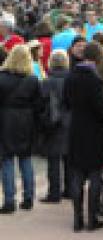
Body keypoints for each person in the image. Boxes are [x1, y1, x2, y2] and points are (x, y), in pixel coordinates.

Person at [65, 41, 103, 231]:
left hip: (76, 129)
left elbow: (66, 102)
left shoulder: (71, 76)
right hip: (94, 131)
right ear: (98, 57)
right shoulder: (94, 79)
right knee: (96, 174)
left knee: (77, 175)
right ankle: (92, 218)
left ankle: (77, 219)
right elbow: (101, 111)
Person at [0, 45, 42, 214]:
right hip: (26, 120)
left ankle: (9, 200)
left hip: (5, 119)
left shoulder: (1, 78)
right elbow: (39, 105)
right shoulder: (32, 79)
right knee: (25, 159)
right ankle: (28, 198)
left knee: (7, 160)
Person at [40, 50, 71, 203]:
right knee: (68, 158)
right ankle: (70, 190)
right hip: (70, 122)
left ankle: (54, 193)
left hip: (53, 122)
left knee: (53, 160)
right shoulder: (71, 79)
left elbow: (42, 104)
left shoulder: (47, 81)